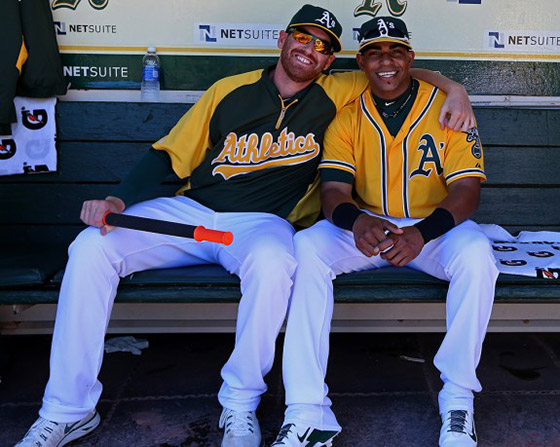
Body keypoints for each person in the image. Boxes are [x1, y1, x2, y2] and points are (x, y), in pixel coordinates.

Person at [15, 6, 475, 447]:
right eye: (302, 37)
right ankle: (67, 410)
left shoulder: (340, 89)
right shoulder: (228, 89)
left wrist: (455, 88)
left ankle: (240, 402)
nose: (309, 49)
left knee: (277, 262)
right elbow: (169, 154)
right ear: (283, 39)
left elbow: (398, 71)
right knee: (91, 247)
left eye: (322, 46)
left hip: (261, 225)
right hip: (193, 212)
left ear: (331, 60)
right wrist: (119, 199)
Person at [275, 16, 498, 447]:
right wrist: (356, 220)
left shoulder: (447, 107)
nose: (385, 61)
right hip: (370, 229)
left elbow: (467, 192)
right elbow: (334, 191)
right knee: (306, 247)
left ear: (410, 57)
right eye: (374, 52)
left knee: (477, 256)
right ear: (360, 62)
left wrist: (422, 233)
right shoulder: (346, 117)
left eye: (395, 50)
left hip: (435, 232)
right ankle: (306, 409)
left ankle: (457, 399)